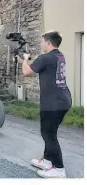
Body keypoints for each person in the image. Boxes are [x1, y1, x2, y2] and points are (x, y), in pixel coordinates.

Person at [18, 31, 72, 178]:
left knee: (49, 134)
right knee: (48, 131)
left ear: (48, 43)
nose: (41, 44)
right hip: (63, 100)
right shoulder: (59, 56)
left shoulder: (45, 58)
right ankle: (48, 161)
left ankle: (59, 169)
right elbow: (41, 69)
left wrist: (25, 59)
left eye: (42, 41)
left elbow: (27, 72)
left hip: (53, 103)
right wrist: (26, 60)